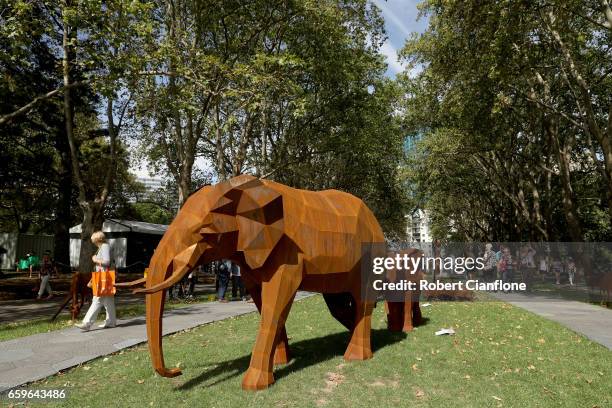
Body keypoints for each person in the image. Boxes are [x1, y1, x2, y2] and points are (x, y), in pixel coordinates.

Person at [76, 231, 116, 331]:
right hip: (106, 277)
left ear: (96, 239)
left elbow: (106, 262)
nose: (92, 240)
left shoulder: (104, 247)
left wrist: (95, 260)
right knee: (108, 300)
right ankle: (111, 322)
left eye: (93, 238)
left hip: (103, 278)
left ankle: (87, 323)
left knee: (97, 300)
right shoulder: (103, 247)